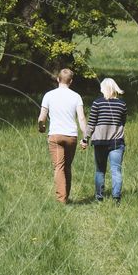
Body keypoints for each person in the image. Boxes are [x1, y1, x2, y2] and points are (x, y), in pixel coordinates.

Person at [37, 68, 87, 204]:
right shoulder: (76, 96)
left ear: (58, 79)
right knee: (67, 166)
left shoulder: (49, 95)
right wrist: (85, 137)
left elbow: (42, 117)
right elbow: (81, 118)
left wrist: (41, 126)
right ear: (71, 81)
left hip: (55, 135)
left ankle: (61, 200)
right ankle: (66, 196)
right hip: (71, 136)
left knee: (58, 166)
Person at [81, 78, 127, 205]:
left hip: (100, 141)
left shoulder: (97, 103)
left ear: (103, 89)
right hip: (117, 141)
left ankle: (99, 197)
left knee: (100, 170)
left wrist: (85, 139)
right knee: (116, 170)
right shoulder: (122, 104)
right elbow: (123, 122)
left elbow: (91, 124)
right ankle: (116, 198)